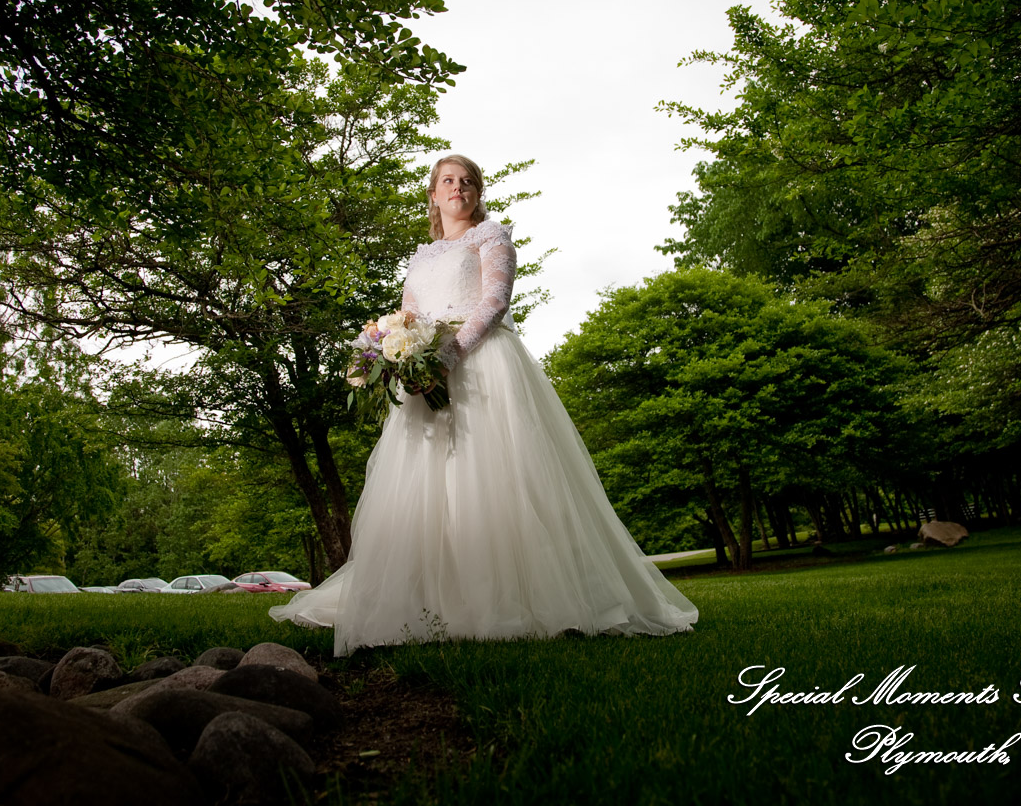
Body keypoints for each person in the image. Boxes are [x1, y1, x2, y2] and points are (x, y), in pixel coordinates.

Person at [269, 154, 699, 656]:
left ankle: (519, 597)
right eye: (448, 181)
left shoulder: (492, 236)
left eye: (467, 181)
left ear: (478, 193)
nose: (458, 187)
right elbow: (408, 313)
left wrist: (445, 358)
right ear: (433, 194)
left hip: (483, 365)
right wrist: (390, 352)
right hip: (425, 371)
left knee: (495, 478)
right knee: (428, 486)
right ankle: (431, 601)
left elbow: (494, 302)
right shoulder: (423, 255)